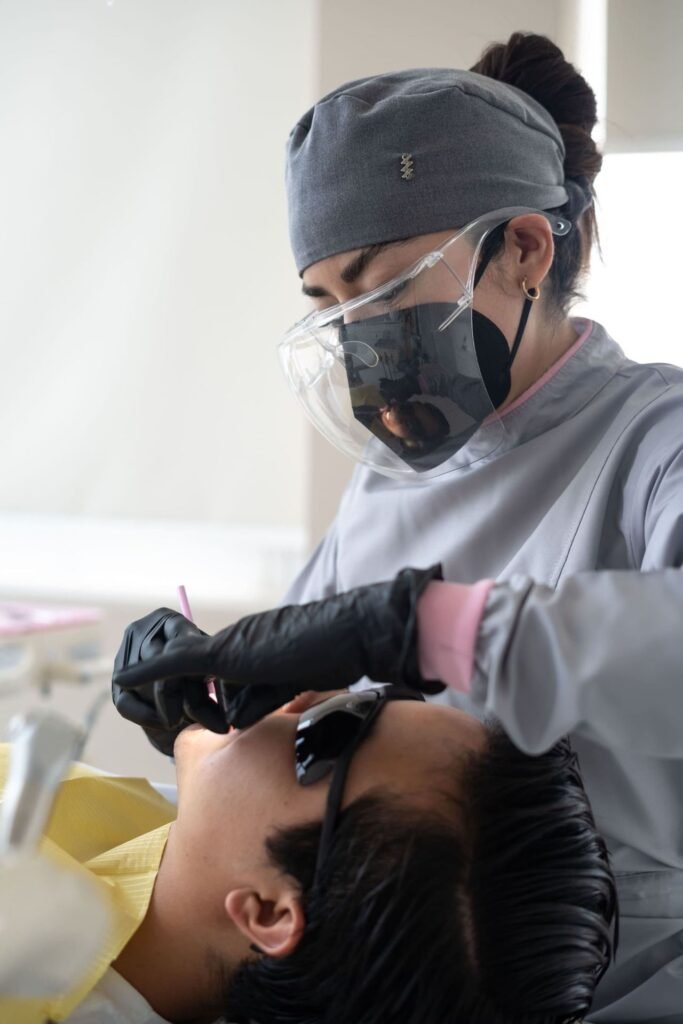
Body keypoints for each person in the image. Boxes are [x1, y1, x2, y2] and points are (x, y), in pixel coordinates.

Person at [112, 30, 683, 1021]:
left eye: (380, 289)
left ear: (521, 249)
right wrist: (204, 700)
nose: (359, 337)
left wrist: (429, 629)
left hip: (615, 987)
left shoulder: (652, 436)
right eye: (329, 303)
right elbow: (301, 765)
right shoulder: (388, 480)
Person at [2, 688, 616, 1024]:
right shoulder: (170, 850)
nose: (301, 695)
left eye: (325, 735)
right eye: (374, 694)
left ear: (268, 912)